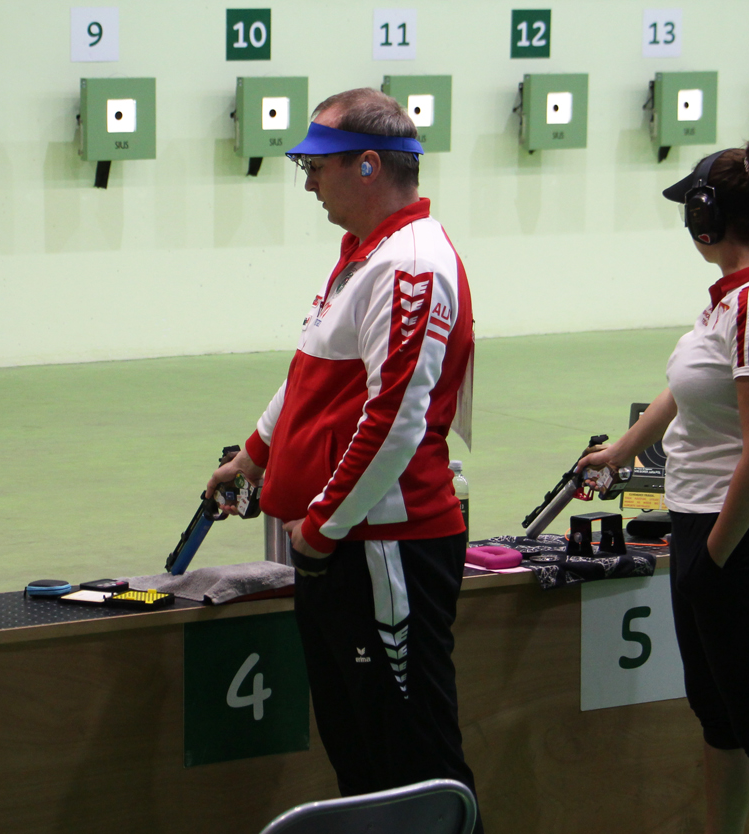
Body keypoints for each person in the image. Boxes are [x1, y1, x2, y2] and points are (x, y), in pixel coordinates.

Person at [205, 88, 481, 825]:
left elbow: (395, 420)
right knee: (362, 753)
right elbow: (310, 376)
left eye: (316, 165)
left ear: (366, 166)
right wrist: (257, 456)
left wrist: (321, 527)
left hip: (380, 547)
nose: (306, 181)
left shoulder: (409, 267)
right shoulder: (366, 257)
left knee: (413, 757)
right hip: (347, 549)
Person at [577, 137, 749, 833]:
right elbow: (685, 390)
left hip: (738, 530)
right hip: (707, 524)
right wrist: (620, 453)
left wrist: (712, 557)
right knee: (721, 715)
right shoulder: (731, 301)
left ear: (707, 218)